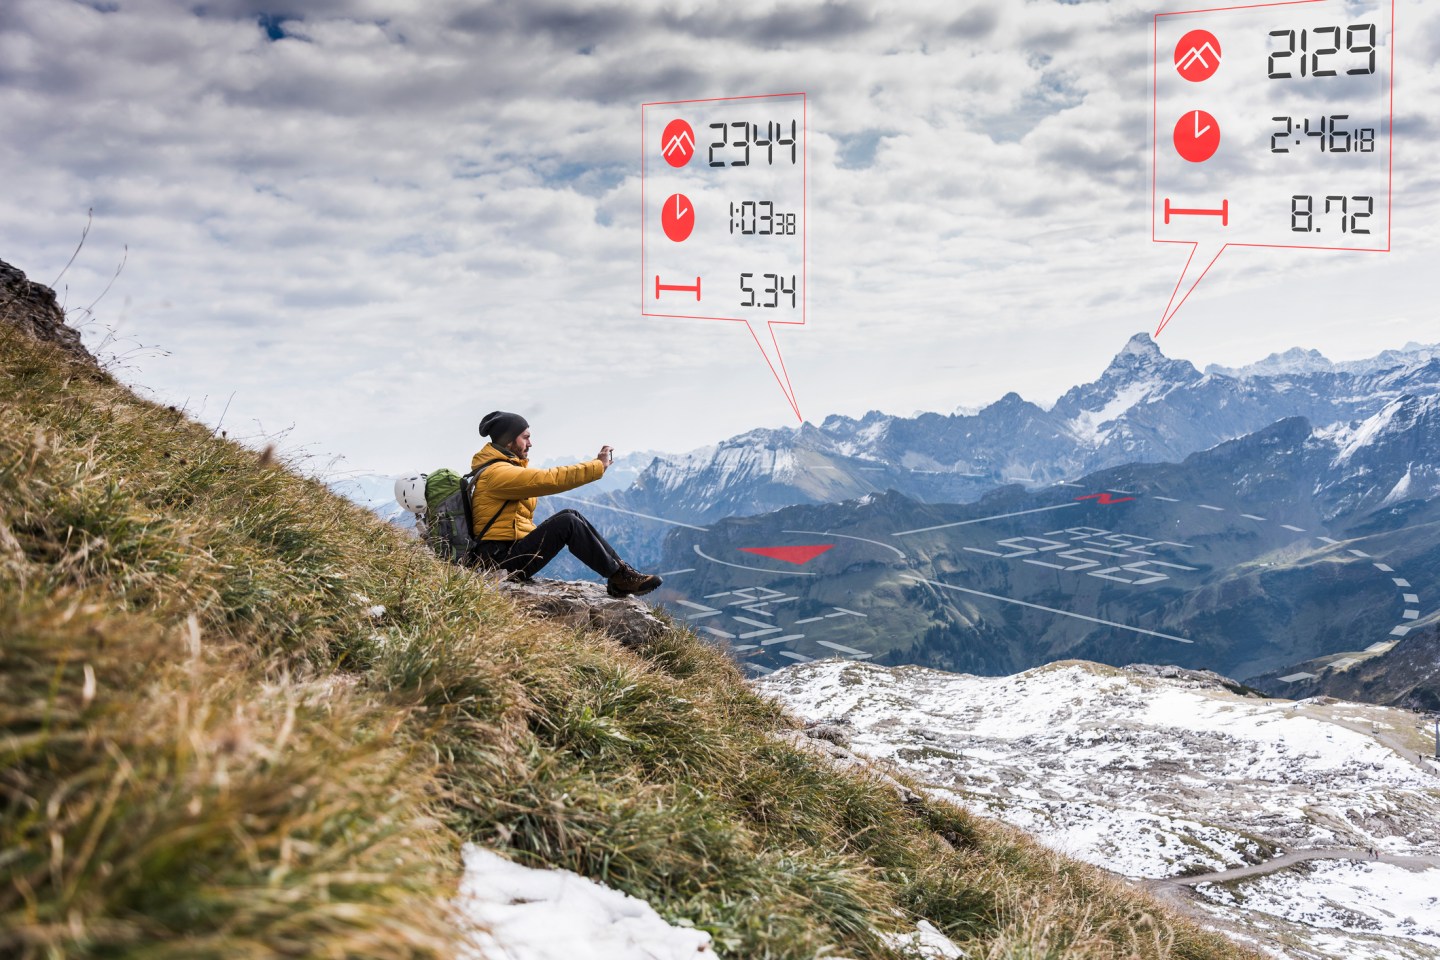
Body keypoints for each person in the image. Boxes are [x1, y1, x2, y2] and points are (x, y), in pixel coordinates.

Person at [469, 410, 662, 597]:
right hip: (498, 563)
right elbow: (549, 478)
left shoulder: (501, 469)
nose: (530, 443)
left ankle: (620, 574)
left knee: (571, 515)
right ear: (508, 441)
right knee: (567, 522)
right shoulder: (498, 474)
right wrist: (596, 466)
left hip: (506, 554)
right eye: (525, 437)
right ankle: (621, 578)